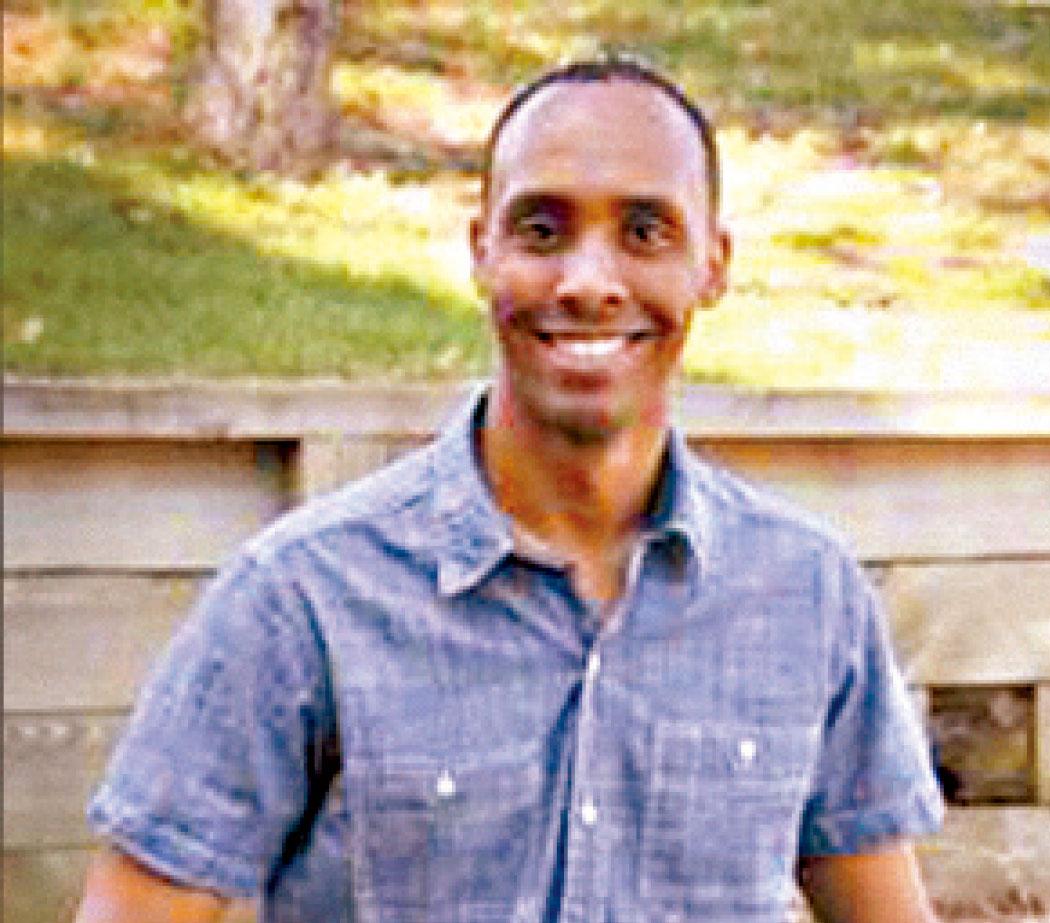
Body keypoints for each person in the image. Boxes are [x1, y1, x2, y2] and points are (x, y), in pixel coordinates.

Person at [75, 55, 944, 923]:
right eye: (541, 230)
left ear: (713, 263)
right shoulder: (302, 598)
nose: (589, 283)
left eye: (645, 231)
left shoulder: (807, 593)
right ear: (481, 251)